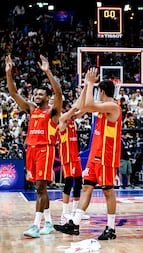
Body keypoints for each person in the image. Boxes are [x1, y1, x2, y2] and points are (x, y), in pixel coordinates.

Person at [54, 67, 122, 240]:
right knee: (86, 187)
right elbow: (82, 105)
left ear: (102, 91)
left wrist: (90, 84)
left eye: (98, 91)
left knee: (108, 191)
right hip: (95, 155)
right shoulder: (100, 107)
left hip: (107, 156)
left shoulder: (113, 106)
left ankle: (111, 228)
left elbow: (89, 105)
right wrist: (86, 86)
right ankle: (75, 223)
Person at [6, 55, 62, 238]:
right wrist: (9, 73)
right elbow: (13, 93)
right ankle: (49, 223)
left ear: (47, 97)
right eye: (35, 94)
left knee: (40, 187)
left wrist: (48, 72)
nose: (37, 96)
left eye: (40, 94)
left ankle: (36, 226)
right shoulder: (31, 109)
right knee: (39, 189)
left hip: (45, 149)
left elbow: (59, 93)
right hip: (31, 150)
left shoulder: (52, 112)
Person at [57, 100, 90, 224]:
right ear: (65, 109)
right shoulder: (62, 120)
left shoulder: (72, 120)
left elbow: (81, 111)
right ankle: (64, 213)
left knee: (78, 184)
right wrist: (75, 107)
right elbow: (74, 111)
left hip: (75, 156)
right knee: (68, 183)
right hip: (67, 157)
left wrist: (89, 103)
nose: (72, 108)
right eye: (69, 107)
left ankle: (75, 211)